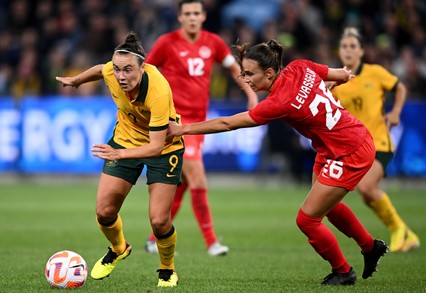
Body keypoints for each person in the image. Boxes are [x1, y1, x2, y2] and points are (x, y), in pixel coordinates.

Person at [166, 39, 388, 285]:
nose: (245, 79)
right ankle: (370, 247)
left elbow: (227, 123)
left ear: (269, 73)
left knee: (307, 220)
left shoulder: (277, 102)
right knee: (327, 208)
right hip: (335, 145)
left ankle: (344, 272)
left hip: (349, 150)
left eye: (249, 73)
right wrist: (337, 80)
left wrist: (181, 129)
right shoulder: (300, 66)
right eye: (242, 72)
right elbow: (341, 75)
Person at [55, 32, 183, 287]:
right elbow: (99, 70)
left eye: (128, 70)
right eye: (117, 69)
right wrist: (77, 81)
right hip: (125, 140)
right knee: (104, 212)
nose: (121, 76)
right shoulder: (111, 72)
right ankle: (118, 248)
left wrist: (119, 154)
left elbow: (155, 147)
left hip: (164, 148)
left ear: (142, 68)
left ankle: (167, 268)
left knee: (159, 220)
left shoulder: (157, 90)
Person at [143, 0, 259, 256]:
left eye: (197, 13)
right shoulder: (167, 42)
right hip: (175, 122)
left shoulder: (213, 42)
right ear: (180, 17)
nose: (193, 17)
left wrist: (250, 94)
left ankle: (154, 238)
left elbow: (234, 69)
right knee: (197, 177)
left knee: (183, 182)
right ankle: (212, 242)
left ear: (204, 16)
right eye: (188, 14)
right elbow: (146, 72)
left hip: (200, 122)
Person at [331, 27, 420, 253]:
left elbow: (400, 87)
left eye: (353, 46)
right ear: (339, 51)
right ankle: (405, 233)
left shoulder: (375, 72)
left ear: (361, 51)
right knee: (367, 194)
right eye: (344, 46)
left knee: (366, 188)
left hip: (379, 141)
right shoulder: (337, 80)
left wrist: (396, 111)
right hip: (354, 147)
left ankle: (398, 228)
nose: (348, 51)